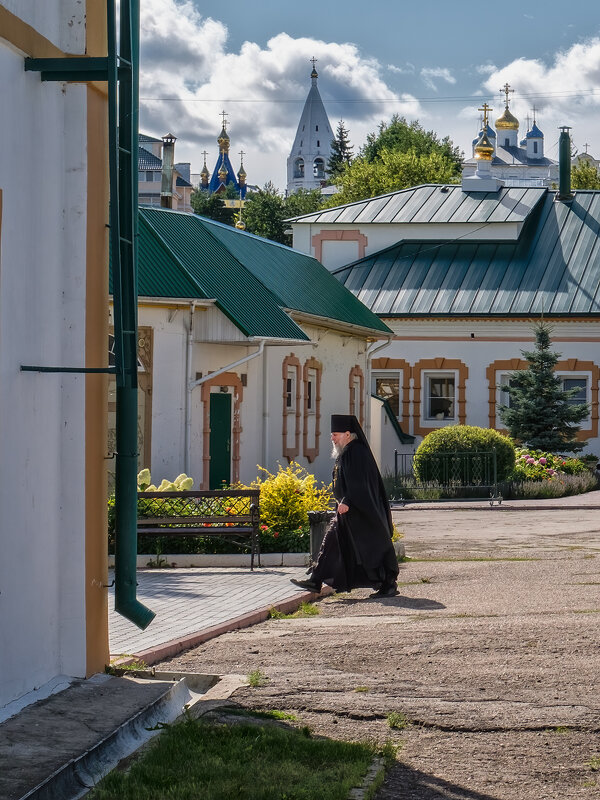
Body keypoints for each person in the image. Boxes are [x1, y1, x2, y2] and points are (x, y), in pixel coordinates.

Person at [291, 414, 399, 598]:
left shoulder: (356, 452)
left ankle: (387, 583)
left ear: (348, 434)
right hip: (350, 511)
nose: (332, 438)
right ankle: (316, 579)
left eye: (335, 434)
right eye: (332, 434)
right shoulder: (346, 452)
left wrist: (347, 501)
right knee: (335, 543)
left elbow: (360, 482)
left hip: (362, 511)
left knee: (372, 546)